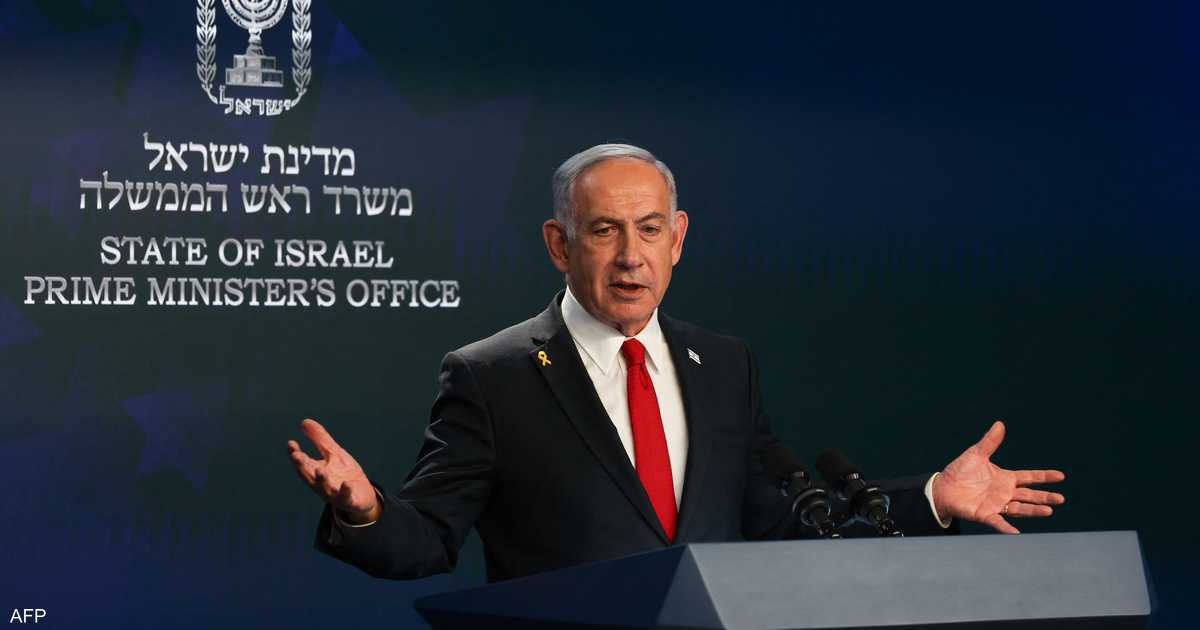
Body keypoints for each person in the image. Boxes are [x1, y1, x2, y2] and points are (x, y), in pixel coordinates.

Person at [287, 144, 1066, 582]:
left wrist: (930, 497)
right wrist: (365, 510)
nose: (632, 256)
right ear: (559, 244)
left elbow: (790, 521)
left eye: (650, 229)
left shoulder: (724, 366)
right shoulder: (491, 376)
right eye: (604, 231)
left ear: (679, 239)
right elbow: (429, 538)